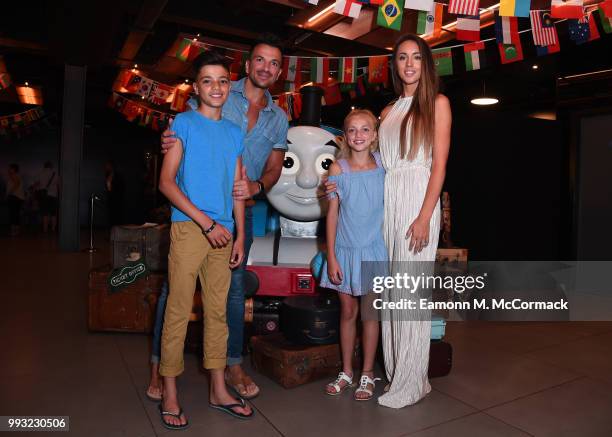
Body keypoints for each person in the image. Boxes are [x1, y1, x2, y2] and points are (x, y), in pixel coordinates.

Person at [156, 34, 288, 400]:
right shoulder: (194, 115)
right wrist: (171, 138)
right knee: (175, 302)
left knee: (223, 306)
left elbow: (258, 175)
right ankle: (162, 374)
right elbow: (170, 176)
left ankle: (222, 379)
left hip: (233, 222)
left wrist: (244, 219)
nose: (266, 67)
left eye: (274, 63)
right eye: (260, 60)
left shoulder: (273, 120)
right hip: (192, 223)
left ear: (279, 71)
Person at [157, 50, 251, 429]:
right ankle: (170, 391)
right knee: (178, 310)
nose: (216, 87)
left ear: (230, 86)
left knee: (218, 312)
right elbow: (165, 182)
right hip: (190, 229)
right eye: (207, 80)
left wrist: (239, 234)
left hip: (226, 232)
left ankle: (218, 388)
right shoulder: (183, 124)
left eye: (223, 80)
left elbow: (238, 188)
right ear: (195, 87)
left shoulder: (234, 131)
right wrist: (206, 224)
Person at [377, 34, 452, 408]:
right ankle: (399, 375)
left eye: (416, 58)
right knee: (392, 294)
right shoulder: (388, 110)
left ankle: (411, 380)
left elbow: (439, 165)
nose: (409, 64)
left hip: (417, 200)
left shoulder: (437, 104)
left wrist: (424, 216)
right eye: (402, 57)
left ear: (427, 64)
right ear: (395, 65)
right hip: (389, 202)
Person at [319, 109, 386, 401]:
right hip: (345, 251)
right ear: (345, 135)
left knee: (371, 314)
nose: (359, 135)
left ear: (374, 135)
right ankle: (346, 370)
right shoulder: (337, 169)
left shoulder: (384, 165)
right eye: (352, 130)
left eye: (365, 130)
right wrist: (331, 256)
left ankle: (367, 373)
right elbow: (332, 214)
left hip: (374, 250)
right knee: (348, 312)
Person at [34, 161, 58, 233]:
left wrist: (35, 193)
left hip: (44, 195)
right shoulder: (55, 174)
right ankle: (53, 229)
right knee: (53, 213)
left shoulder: (40, 173)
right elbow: (59, 185)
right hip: (53, 195)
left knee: (45, 213)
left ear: (44, 166)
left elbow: (36, 184)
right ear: (51, 166)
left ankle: (45, 230)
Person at [104, 160, 125, 226]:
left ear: (111, 166)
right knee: (111, 218)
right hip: (110, 201)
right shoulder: (107, 175)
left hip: (117, 201)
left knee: (117, 219)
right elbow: (108, 188)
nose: (106, 167)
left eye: (107, 166)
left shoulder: (118, 176)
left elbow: (121, 188)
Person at [7, 163, 25, 236]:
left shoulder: (15, 176)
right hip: (16, 197)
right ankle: (15, 231)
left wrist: (10, 192)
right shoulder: (15, 176)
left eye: (10, 168)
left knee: (14, 214)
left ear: (14, 169)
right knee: (15, 214)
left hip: (15, 197)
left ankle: (14, 231)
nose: (9, 169)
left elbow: (17, 184)